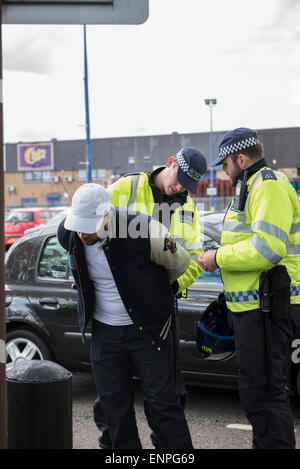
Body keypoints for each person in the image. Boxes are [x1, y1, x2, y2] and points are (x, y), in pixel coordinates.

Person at [57, 183, 194, 449]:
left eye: (90, 225)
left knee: (162, 405)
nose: (83, 233)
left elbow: (180, 264)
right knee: (113, 410)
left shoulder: (144, 229)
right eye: (79, 225)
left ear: (109, 216)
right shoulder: (69, 233)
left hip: (150, 329)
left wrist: (149, 292)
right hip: (104, 332)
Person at [94, 147, 207, 448]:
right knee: (112, 400)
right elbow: (90, 227)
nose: (179, 187)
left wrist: (168, 287)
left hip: (159, 311)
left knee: (167, 395)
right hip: (117, 306)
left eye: (188, 184)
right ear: (170, 162)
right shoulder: (126, 188)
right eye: (179, 178)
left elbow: (194, 258)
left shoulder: (188, 208)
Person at [198, 127, 300, 449]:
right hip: (254, 309)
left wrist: (218, 257)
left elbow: (268, 248)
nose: (224, 173)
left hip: (269, 309)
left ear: (241, 159)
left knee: (267, 395)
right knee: (257, 395)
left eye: (225, 165)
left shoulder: (267, 185)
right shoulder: (252, 185)